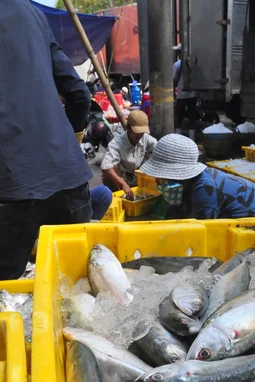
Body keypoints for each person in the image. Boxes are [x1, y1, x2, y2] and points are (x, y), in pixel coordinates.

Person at [0, 0, 95, 280]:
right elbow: (80, 94)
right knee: (77, 294)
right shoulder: (31, 12)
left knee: (8, 302)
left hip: (12, 188)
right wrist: (71, 142)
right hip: (70, 179)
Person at [140, 134, 255, 219]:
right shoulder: (188, 185)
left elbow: (201, 235)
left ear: (177, 175)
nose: (157, 181)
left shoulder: (204, 190)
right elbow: (173, 216)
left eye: (160, 176)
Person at [101, 110, 157, 199]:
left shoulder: (145, 138)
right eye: (136, 132)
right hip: (122, 177)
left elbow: (159, 149)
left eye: (142, 133)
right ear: (128, 128)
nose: (139, 136)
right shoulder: (117, 143)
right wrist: (123, 184)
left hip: (137, 176)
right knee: (109, 173)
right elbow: (106, 167)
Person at [173, 44, 197, 141]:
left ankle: (178, 138)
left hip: (181, 95)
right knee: (192, 116)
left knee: (179, 116)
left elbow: (173, 79)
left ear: (180, 53)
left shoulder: (177, 65)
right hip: (193, 94)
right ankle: (192, 139)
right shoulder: (194, 64)